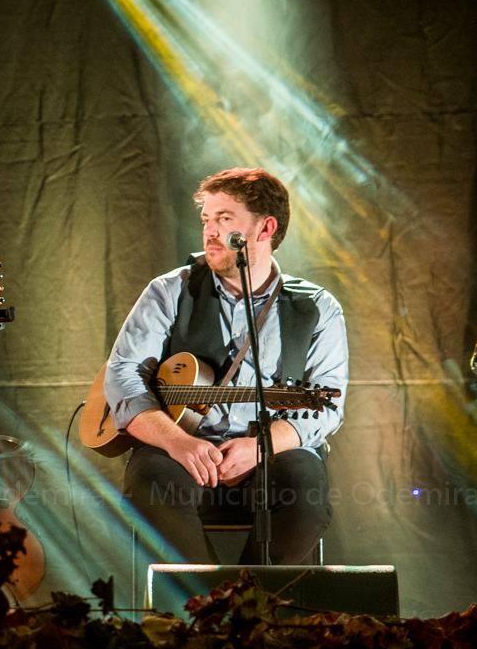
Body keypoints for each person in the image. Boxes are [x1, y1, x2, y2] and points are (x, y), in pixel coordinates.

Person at [104, 167, 348, 564]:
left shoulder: (318, 307)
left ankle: (253, 606)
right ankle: (206, 608)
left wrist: (260, 447)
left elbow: (328, 407)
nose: (209, 232)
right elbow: (123, 374)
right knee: (150, 481)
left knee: (305, 486)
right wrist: (177, 441)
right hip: (178, 449)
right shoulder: (170, 290)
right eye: (206, 220)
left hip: (269, 455)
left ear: (265, 228)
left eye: (224, 219)